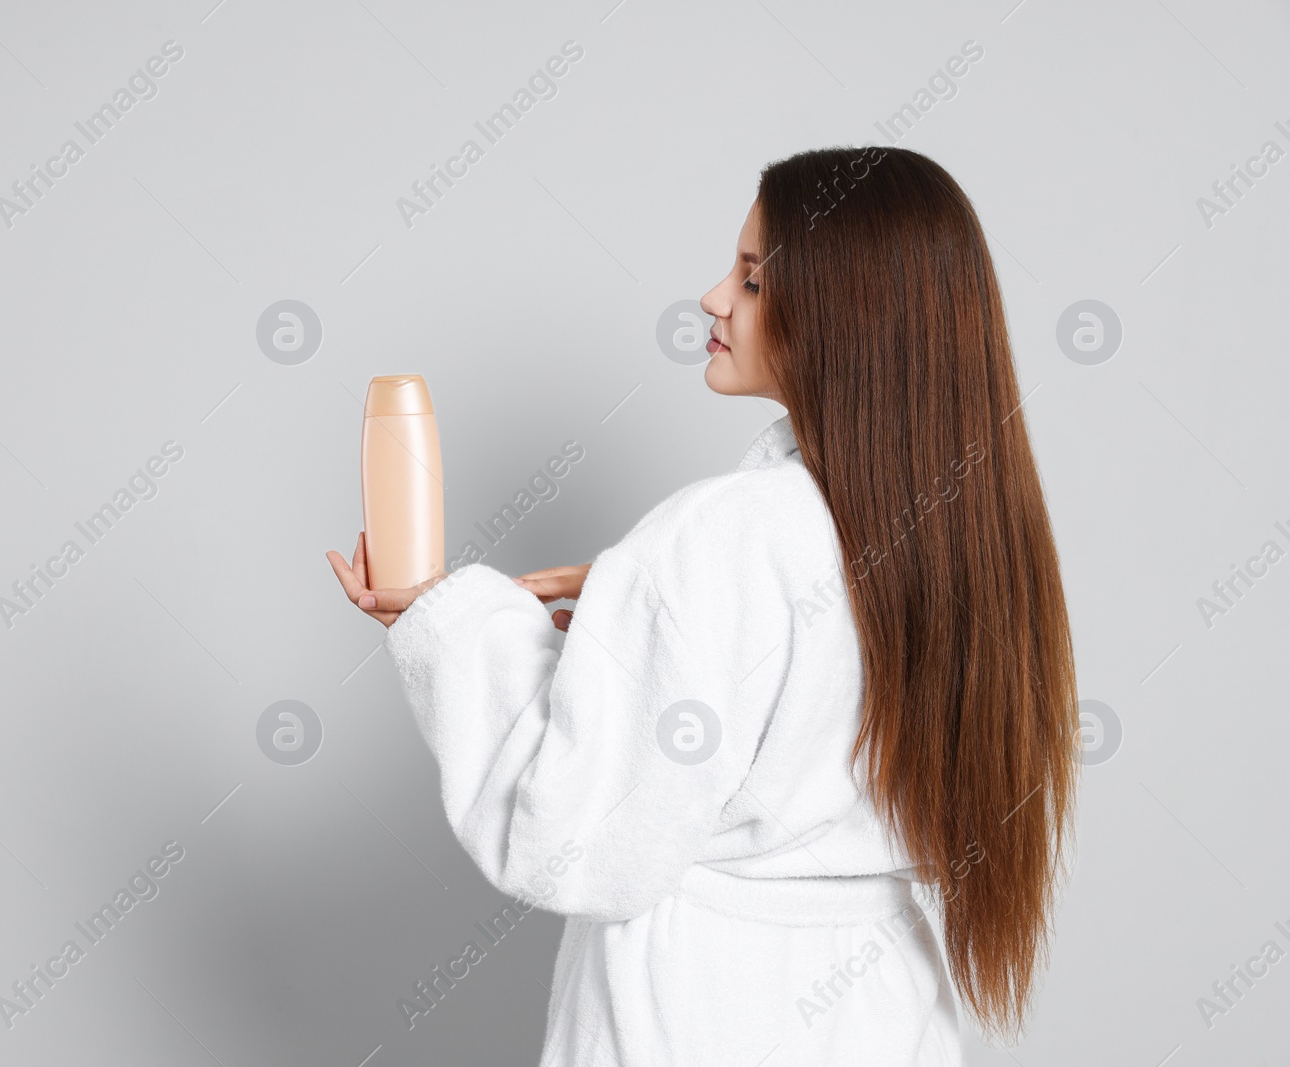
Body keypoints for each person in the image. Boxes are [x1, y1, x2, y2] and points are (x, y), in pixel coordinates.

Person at [327, 145, 1079, 1066]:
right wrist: (632, 610)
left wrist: (453, 621)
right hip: (883, 1012)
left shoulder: (720, 539)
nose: (714, 297)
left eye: (754, 280)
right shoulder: (964, 538)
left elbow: (569, 838)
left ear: (849, 314)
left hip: (702, 1017)